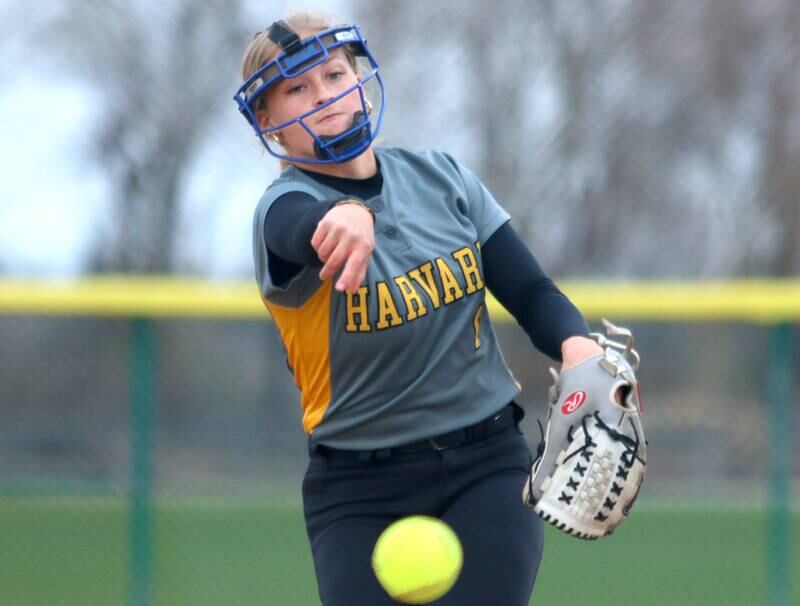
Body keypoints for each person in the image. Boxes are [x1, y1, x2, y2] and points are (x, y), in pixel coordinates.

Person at [234, 12, 604, 606]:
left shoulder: (442, 177)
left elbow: (531, 293)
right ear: (268, 121)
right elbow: (295, 228)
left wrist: (577, 344)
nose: (323, 95)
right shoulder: (281, 209)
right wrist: (337, 218)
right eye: (297, 88)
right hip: (358, 487)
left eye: (333, 74)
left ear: (359, 79)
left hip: (488, 464)